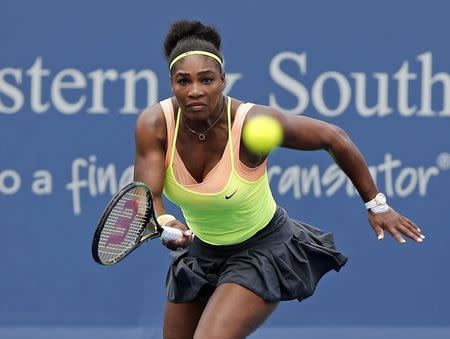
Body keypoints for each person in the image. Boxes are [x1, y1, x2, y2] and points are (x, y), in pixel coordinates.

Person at [133, 20, 425, 339]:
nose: (195, 91)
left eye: (206, 80)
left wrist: (376, 204)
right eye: (183, 81)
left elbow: (335, 137)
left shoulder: (252, 125)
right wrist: (164, 222)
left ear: (223, 81)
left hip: (262, 251)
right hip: (201, 253)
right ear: (171, 84)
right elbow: (147, 198)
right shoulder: (155, 125)